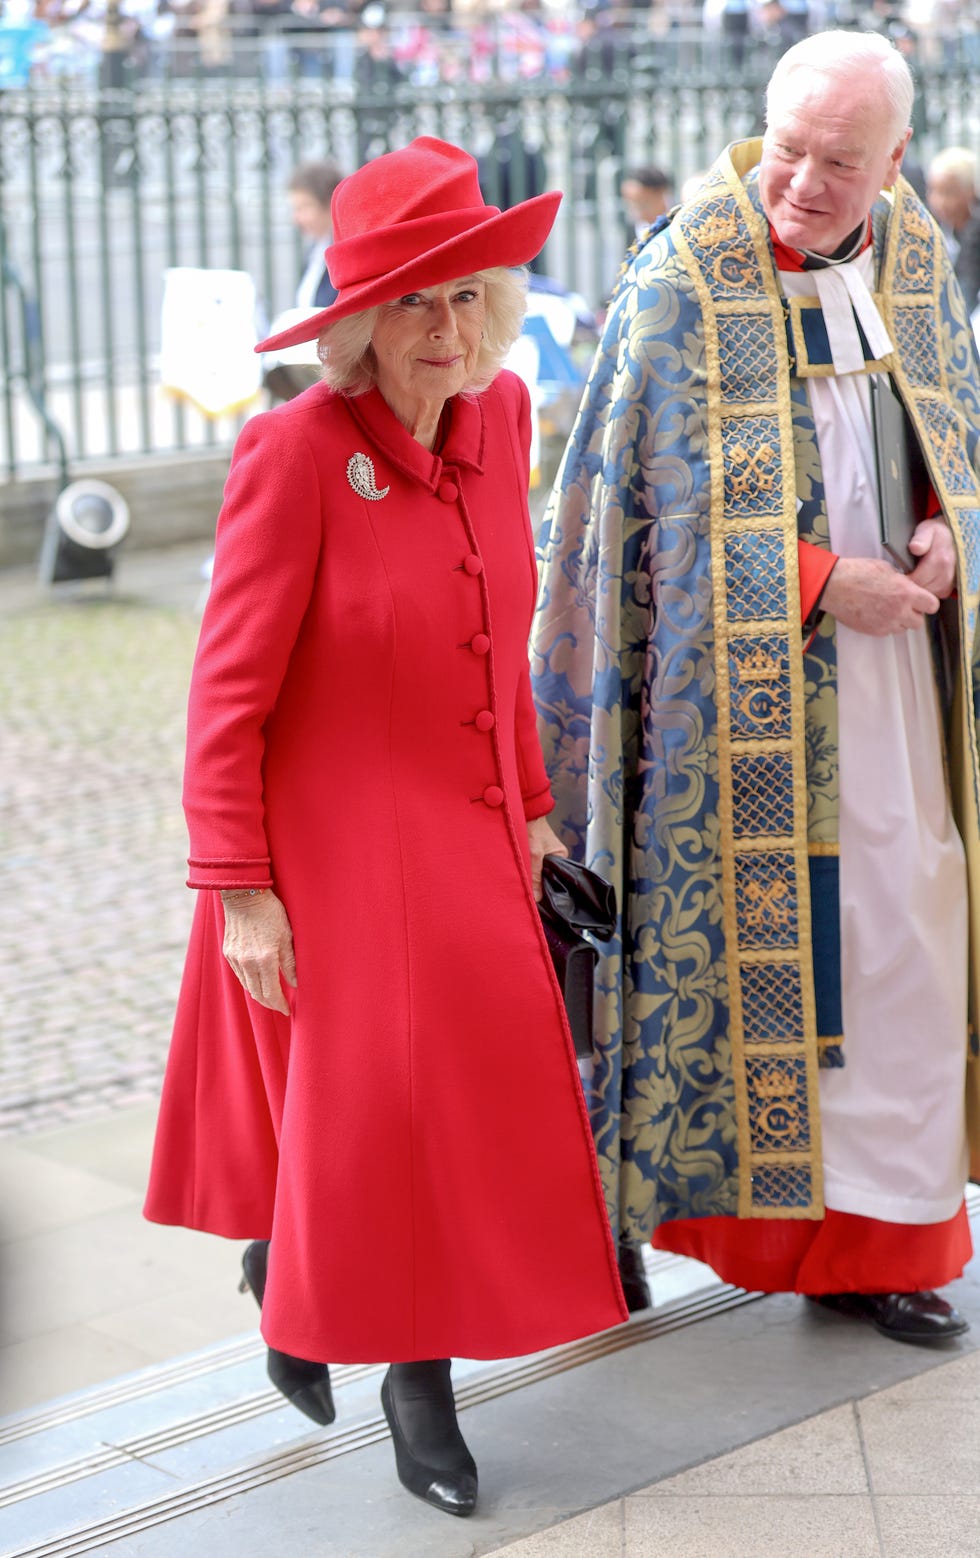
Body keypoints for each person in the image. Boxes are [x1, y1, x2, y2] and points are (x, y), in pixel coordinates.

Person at [144, 136, 627, 1518]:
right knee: (391, 1113)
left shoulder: (505, 422)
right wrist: (241, 888)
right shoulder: (293, 453)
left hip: (470, 834)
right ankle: (415, 1379)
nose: (447, 328)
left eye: (467, 294)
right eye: (414, 302)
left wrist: (535, 818)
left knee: (458, 1104)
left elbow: (502, 647)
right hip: (335, 848)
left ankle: (299, 1279)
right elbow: (225, 694)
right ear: (356, 324)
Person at [531, 31, 980, 1342]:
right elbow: (632, 522)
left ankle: (889, 1244)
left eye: (841, 163)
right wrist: (815, 580)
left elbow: (950, 438)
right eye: (789, 150)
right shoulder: (684, 277)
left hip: (908, 690)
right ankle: (767, 1243)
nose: (803, 185)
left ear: (895, 161)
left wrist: (953, 525)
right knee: (792, 972)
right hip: (744, 722)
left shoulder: (918, 259)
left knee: (911, 943)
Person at [927, 146, 980, 313]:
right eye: (934, 191)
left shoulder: (975, 230)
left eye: (949, 193)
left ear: (970, 191)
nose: (940, 202)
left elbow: (968, 287)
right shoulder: (931, 227)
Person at [619, 164, 673, 239]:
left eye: (640, 203)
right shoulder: (631, 231)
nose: (632, 209)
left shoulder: (679, 222)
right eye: (629, 203)